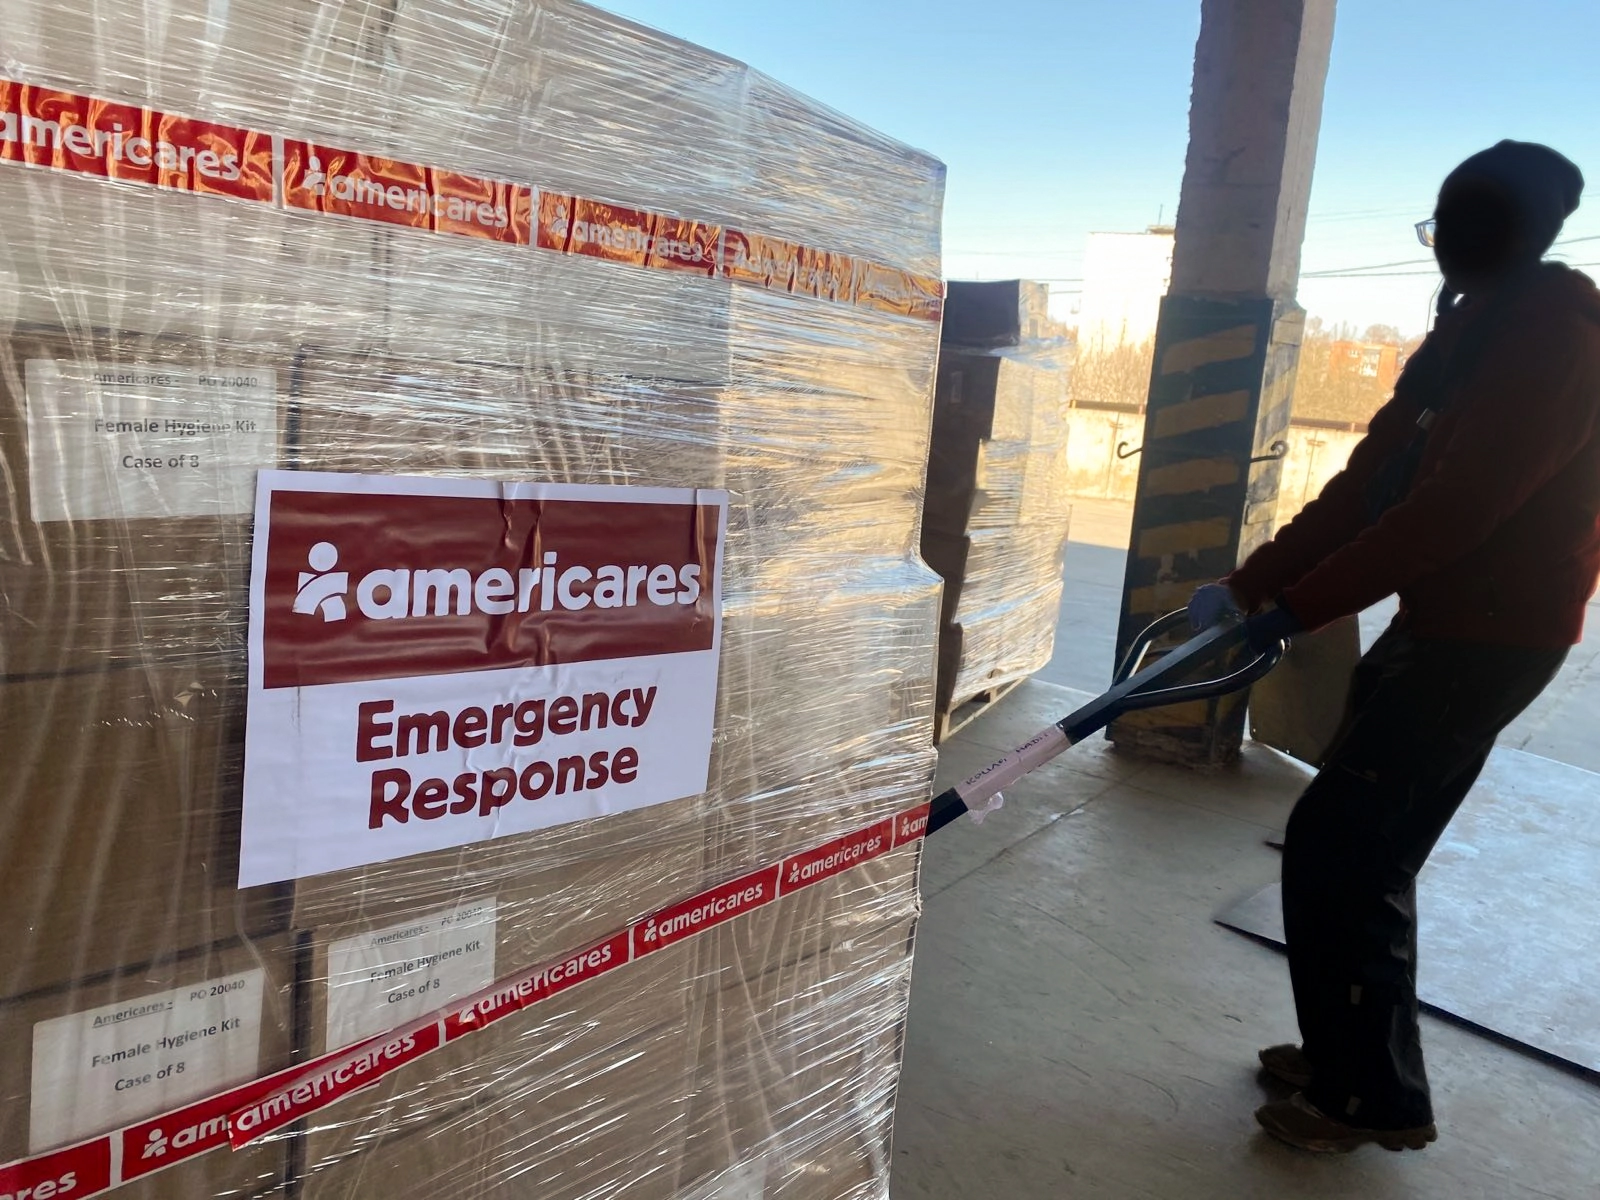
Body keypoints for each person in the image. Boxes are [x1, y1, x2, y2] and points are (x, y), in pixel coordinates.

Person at [1187, 140, 1600, 1153]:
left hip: (1491, 637)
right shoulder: (1466, 329)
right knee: (1357, 845)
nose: (1443, 245)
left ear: (1512, 234)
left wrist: (1302, 607)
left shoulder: (1556, 340)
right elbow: (1374, 479)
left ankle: (1372, 1097)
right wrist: (1254, 580)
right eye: (1439, 222)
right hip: (1441, 619)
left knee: (1345, 847)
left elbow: (1452, 510)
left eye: (1460, 224)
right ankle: (1345, 1057)